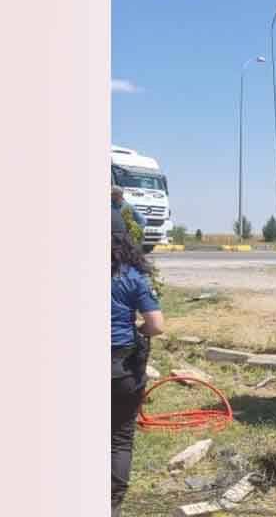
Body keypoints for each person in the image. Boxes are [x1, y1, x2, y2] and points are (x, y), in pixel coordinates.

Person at [111, 209, 164, 515]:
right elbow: (156, 325)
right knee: (119, 438)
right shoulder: (133, 277)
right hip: (121, 369)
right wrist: (138, 331)